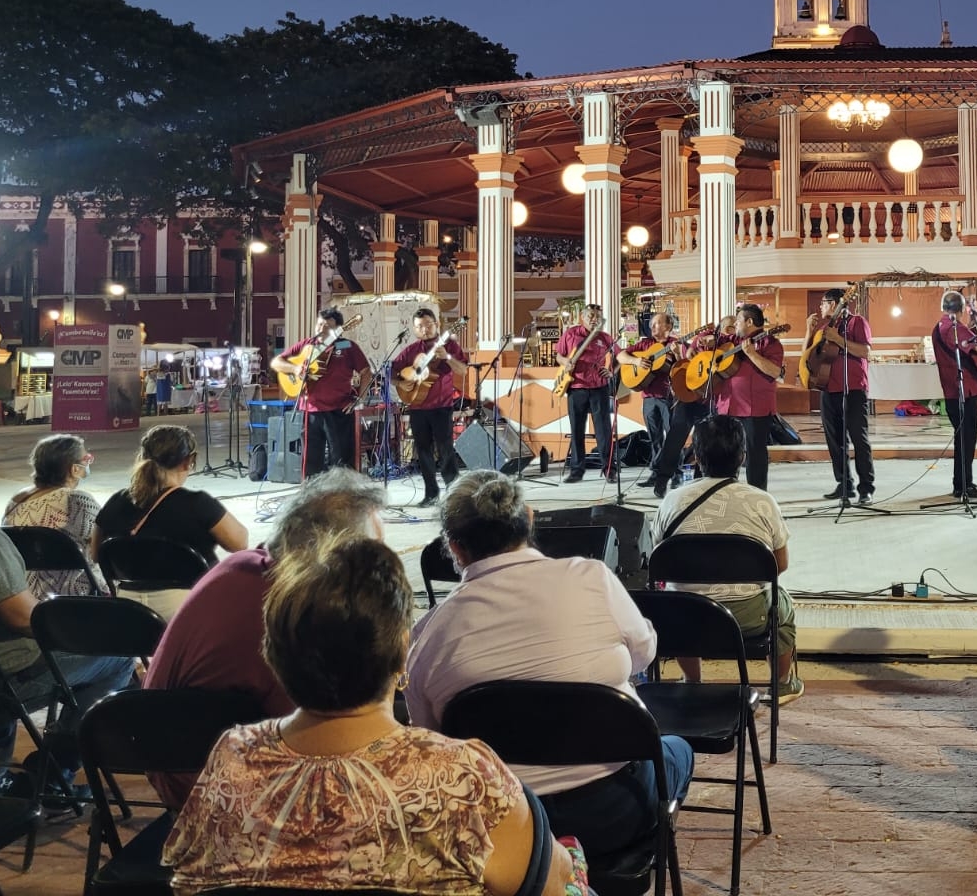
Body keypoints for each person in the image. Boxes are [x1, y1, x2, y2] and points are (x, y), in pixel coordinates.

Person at [164, 535, 588, 896]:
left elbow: (188, 879)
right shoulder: (462, 777)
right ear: (402, 649)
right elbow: (555, 883)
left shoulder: (231, 759)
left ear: (275, 658)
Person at [405, 471, 692, 858]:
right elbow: (643, 655)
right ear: (530, 517)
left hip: (501, 830)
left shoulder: (428, 637)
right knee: (678, 751)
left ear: (455, 549)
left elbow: (434, 743)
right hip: (615, 811)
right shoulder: (591, 577)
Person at [144, 468, 388, 809]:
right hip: (230, 796)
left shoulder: (240, 565)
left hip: (169, 762)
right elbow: (323, 736)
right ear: (337, 556)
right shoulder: (297, 613)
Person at [651, 415, 803, 703]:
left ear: (695, 456)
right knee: (782, 604)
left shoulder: (672, 500)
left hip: (686, 617)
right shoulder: (762, 501)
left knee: (676, 595)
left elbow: (658, 561)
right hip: (748, 617)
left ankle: (692, 680)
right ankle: (782, 684)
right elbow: (779, 565)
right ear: (743, 457)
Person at [0, 519, 134, 795]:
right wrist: (83, 629)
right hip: (1, 682)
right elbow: (22, 617)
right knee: (119, 658)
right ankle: (54, 775)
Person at [91, 425, 249, 620]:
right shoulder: (197, 504)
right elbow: (240, 544)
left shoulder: (116, 501)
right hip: (187, 607)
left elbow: (96, 554)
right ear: (188, 461)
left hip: (128, 608)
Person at [270, 306, 373, 474]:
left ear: (338, 330)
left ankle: (341, 496)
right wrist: (295, 369)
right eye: (319, 325)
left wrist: (359, 398)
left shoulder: (347, 346)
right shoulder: (307, 345)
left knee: (341, 460)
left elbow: (366, 372)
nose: (321, 329)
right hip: (311, 410)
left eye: (327, 326)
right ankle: (312, 495)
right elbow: (276, 363)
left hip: (339, 410)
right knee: (311, 459)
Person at [2, 433, 104, 598]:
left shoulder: (16, 500)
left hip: (29, 594)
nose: (88, 462)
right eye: (86, 459)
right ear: (74, 469)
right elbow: (102, 546)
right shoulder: (77, 500)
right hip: (77, 593)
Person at [391, 306, 469, 507]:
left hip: (441, 407)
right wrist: (402, 383)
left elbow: (464, 370)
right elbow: (393, 373)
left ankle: (454, 493)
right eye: (419, 326)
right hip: (417, 407)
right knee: (423, 451)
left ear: (437, 324)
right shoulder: (411, 350)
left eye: (428, 325)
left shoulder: (449, 345)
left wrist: (447, 357)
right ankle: (431, 493)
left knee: (445, 450)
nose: (424, 329)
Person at [805, 287, 875, 506]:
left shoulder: (857, 322)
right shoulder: (824, 327)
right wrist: (808, 330)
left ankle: (866, 488)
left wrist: (839, 340)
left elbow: (865, 351)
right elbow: (809, 354)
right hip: (828, 389)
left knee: (859, 439)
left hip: (852, 389)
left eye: (824, 303)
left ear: (834, 304)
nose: (821, 307)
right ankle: (844, 485)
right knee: (835, 442)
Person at [710, 304, 785, 491]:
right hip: (727, 404)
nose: (735, 324)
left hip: (755, 408)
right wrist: (703, 345)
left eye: (738, 321)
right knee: (725, 452)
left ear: (749, 322)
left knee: (755, 453)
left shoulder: (771, 343)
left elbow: (774, 371)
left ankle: (757, 495)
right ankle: (724, 491)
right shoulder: (733, 340)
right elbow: (710, 342)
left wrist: (751, 354)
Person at [645, 322, 720, 500]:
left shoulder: (731, 345)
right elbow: (686, 363)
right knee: (674, 439)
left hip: (711, 400)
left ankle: (699, 481)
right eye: (728, 326)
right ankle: (662, 479)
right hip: (688, 398)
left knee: (705, 442)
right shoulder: (702, 339)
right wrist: (685, 353)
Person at [932, 291, 977, 502]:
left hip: (953, 392)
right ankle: (963, 486)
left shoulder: (940, 327)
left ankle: (963, 483)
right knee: (966, 440)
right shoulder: (955, 328)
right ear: (960, 310)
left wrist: (974, 321)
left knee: (963, 440)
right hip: (963, 391)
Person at [555, 304, 617, 483]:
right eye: (590, 315)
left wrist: (611, 370)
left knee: (603, 430)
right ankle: (576, 470)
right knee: (576, 430)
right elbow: (559, 355)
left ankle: (609, 469)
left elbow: (617, 356)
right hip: (576, 387)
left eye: (597, 316)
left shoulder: (605, 338)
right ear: (582, 317)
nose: (593, 319)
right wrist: (565, 361)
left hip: (599, 387)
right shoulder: (571, 334)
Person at [617, 311, 678, 482]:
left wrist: (678, 354)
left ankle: (676, 473)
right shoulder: (645, 344)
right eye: (651, 323)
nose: (652, 326)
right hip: (648, 397)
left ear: (669, 327)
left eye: (657, 323)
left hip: (669, 396)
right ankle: (656, 473)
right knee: (654, 437)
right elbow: (621, 356)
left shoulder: (675, 344)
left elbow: (684, 364)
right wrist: (636, 361)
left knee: (673, 437)